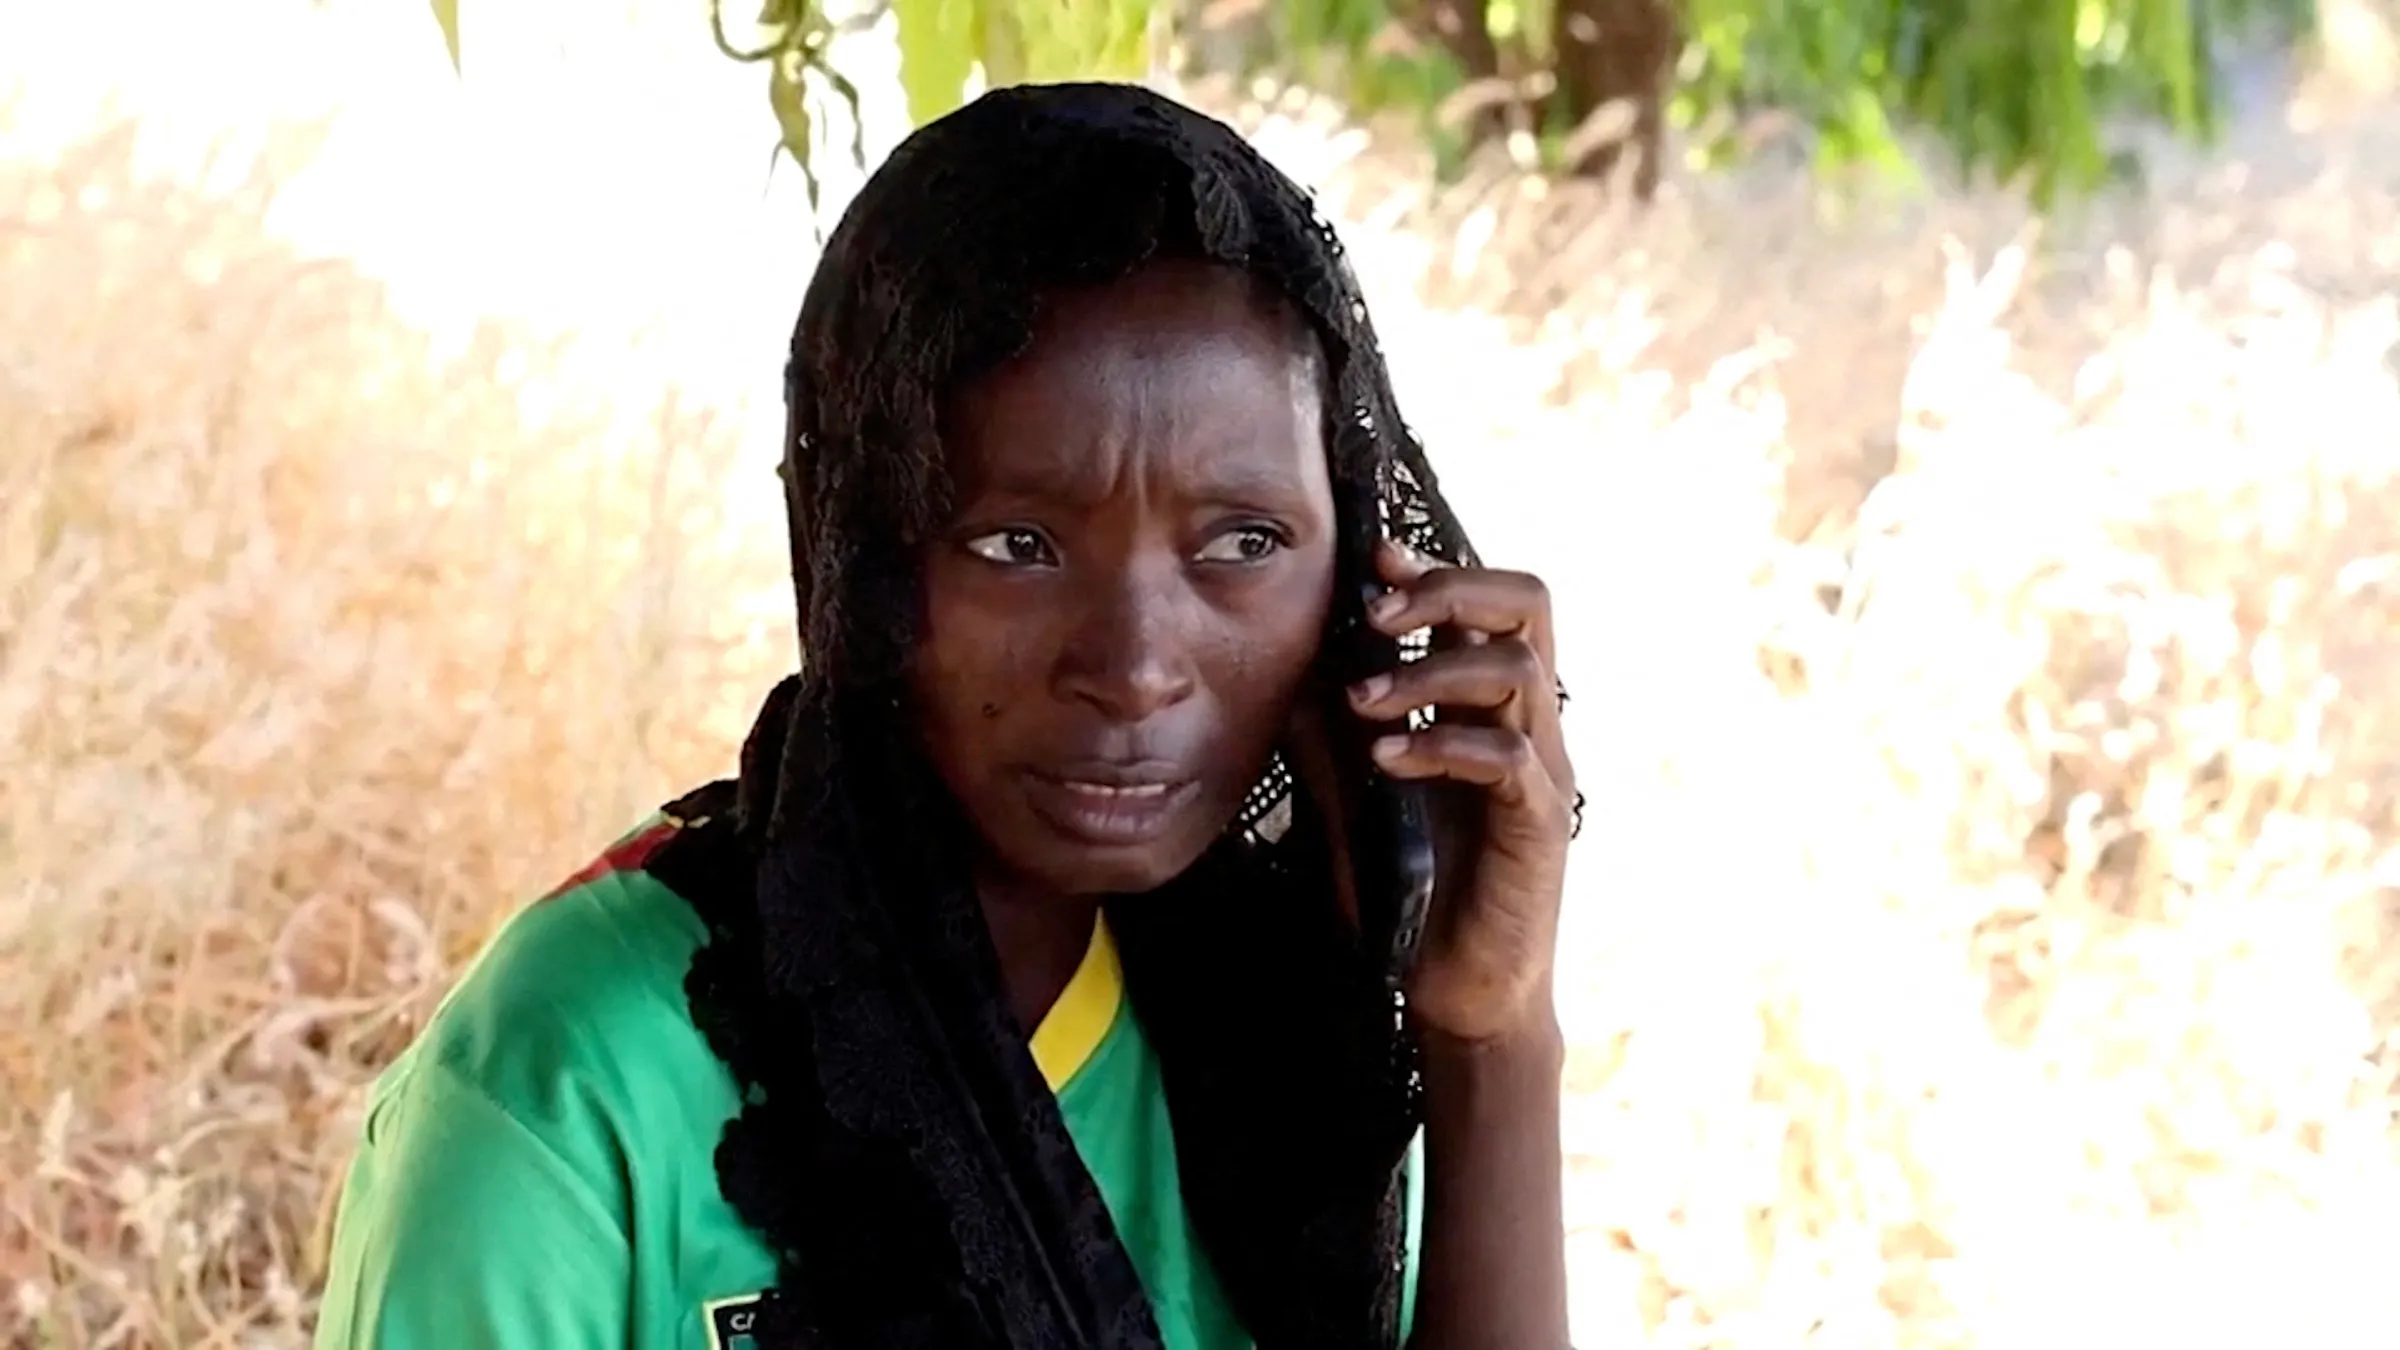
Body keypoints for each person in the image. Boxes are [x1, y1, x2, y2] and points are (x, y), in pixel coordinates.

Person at [313, 81, 1579, 1350]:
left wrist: (1492, 1041)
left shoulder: (1273, 1048)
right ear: (862, 556)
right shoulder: (570, 1088)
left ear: (1356, 572)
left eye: (1243, 541)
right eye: (1017, 543)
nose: (1136, 667)